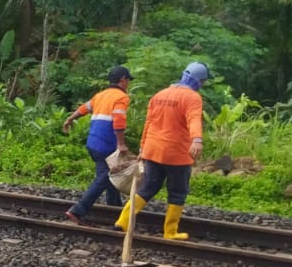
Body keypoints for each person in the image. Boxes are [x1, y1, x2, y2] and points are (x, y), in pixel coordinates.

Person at [115, 62, 210, 240]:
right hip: (176, 153)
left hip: (152, 150)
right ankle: (170, 232)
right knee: (178, 191)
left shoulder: (160, 95)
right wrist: (196, 140)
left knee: (148, 187)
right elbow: (194, 119)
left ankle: (123, 220)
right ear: (198, 81)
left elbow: (149, 123)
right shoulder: (192, 97)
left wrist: (143, 148)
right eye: (203, 82)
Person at [62, 66, 134, 225]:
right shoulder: (121, 97)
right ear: (122, 80)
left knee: (110, 176)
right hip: (106, 144)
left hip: (93, 143)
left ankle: (114, 209)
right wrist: (121, 144)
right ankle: (78, 210)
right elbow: (119, 120)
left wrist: (70, 119)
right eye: (128, 80)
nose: (128, 83)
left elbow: (84, 108)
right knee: (106, 177)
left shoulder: (100, 95)